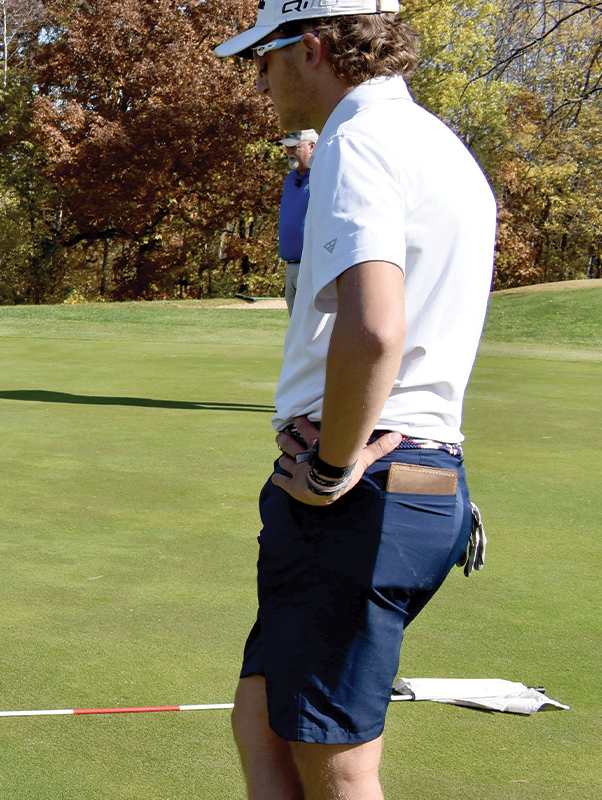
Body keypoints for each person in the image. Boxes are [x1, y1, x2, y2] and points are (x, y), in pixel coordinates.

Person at [214, 2, 496, 798]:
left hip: (362, 489)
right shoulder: (436, 143)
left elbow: (375, 329)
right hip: (412, 484)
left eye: (261, 57)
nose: (257, 77)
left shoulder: (358, 139)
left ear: (310, 49)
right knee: (263, 721)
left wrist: (334, 463)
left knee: (336, 768)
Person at [277, 129, 317, 309]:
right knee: (296, 329)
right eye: (287, 148)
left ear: (312, 147)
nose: (289, 152)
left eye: (294, 147)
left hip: (311, 265)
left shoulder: (321, 175)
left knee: (310, 327)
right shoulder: (290, 178)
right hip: (291, 265)